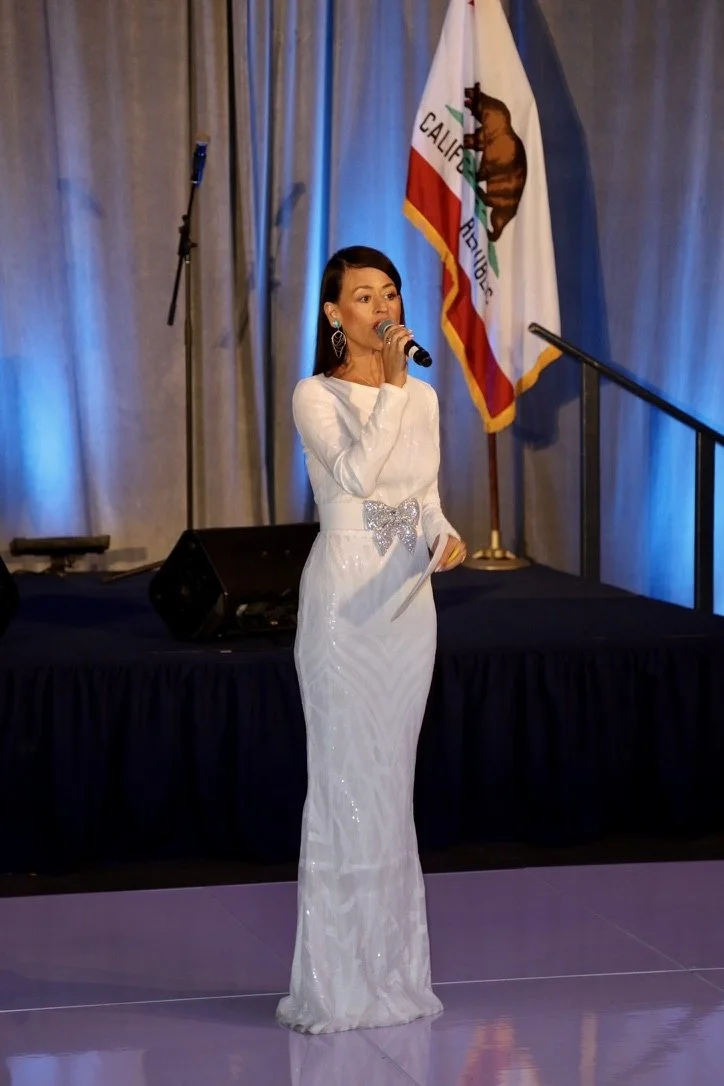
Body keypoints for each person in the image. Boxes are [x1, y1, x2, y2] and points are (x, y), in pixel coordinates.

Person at [276, 246, 467, 1035]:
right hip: (343, 600)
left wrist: (445, 535)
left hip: (404, 603)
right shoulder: (313, 395)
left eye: (389, 292)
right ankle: (335, 986)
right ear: (334, 315)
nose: (381, 306)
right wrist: (388, 389)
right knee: (344, 782)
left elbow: (420, 495)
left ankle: (392, 978)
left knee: (390, 788)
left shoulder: (420, 398)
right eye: (363, 296)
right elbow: (355, 478)